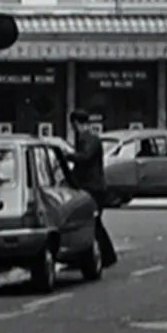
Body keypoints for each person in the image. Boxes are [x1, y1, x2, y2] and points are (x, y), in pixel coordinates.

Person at [65, 109, 118, 269]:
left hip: (93, 187)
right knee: (94, 222)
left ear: (77, 123)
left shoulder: (89, 139)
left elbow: (85, 158)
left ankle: (106, 255)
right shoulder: (88, 138)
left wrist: (68, 155)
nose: (73, 129)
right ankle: (106, 256)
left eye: (74, 125)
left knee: (93, 222)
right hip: (92, 186)